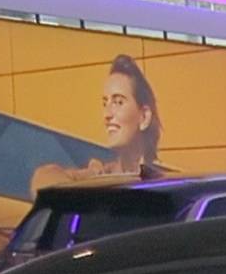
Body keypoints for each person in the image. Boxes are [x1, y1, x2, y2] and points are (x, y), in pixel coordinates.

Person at [28, 53, 170, 192]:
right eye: (105, 103)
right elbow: (43, 179)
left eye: (118, 102)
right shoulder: (101, 175)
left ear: (144, 117)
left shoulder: (167, 182)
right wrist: (85, 180)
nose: (107, 114)